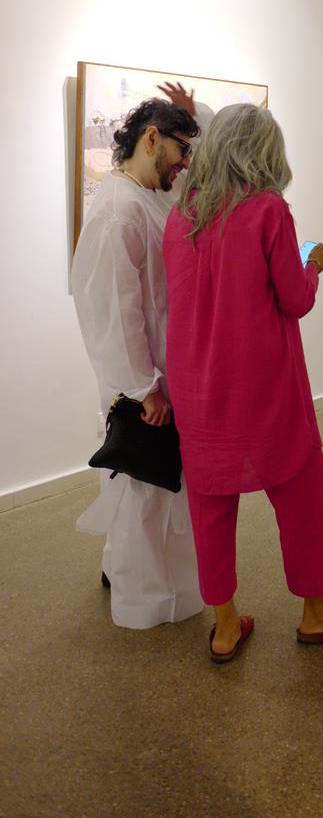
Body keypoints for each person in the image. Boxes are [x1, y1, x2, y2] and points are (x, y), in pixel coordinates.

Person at [162, 104, 323, 662]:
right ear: (264, 152)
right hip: (262, 382)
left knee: (210, 503)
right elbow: (295, 299)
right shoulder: (267, 209)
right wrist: (314, 265)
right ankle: (317, 615)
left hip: (196, 383)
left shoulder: (182, 214)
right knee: (306, 492)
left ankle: (225, 626)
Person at [72, 83, 207, 629]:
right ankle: (145, 599)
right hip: (144, 380)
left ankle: (154, 583)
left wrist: (191, 116)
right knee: (144, 488)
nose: (185, 164)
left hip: (164, 370)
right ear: (152, 139)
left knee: (158, 486)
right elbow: (113, 308)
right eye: (180, 149)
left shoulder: (150, 194)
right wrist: (142, 386)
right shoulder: (119, 211)